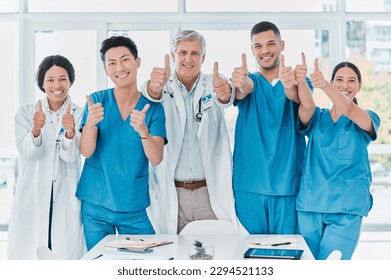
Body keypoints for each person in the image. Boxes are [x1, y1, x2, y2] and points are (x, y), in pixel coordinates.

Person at [142, 30, 246, 234]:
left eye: (195, 53)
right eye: (182, 53)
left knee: (213, 251)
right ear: (173, 56)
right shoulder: (163, 86)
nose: (188, 59)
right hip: (173, 192)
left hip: (208, 193)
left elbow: (226, 98)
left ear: (203, 57)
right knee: (173, 257)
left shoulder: (213, 83)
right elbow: (149, 94)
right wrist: (154, 87)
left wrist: (225, 94)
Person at [76, 36, 167, 250]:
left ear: (137, 62)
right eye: (112, 63)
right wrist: (90, 124)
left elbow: (157, 157)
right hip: (96, 204)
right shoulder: (97, 102)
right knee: (100, 264)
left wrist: (143, 131)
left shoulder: (153, 108)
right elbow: (86, 151)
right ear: (106, 70)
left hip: (132, 205)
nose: (120, 67)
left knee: (149, 260)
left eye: (125, 59)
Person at [231, 21, 313, 234]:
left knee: (286, 255)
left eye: (270, 44)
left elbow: (299, 100)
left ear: (281, 45)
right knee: (250, 256)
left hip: (287, 184)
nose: (264, 51)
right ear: (252, 50)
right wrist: (239, 82)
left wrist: (292, 85)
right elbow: (243, 90)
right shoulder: (249, 82)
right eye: (258, 46)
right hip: (250, 185)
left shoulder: (298, 81)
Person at [296, 60, 380, 260]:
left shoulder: (367, 118)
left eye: (352, 81)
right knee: (306, 266)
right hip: (310, 206)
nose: (345, 85)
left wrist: (324, 85)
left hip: (346, 209)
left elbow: (349, 110)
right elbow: (306, 106)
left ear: (359, 87)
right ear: (334, 81)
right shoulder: (317, 118)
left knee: (333, 268)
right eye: (339, 80)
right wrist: (301, 80)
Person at [7, 55, 85, 259]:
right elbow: (28, 153)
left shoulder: (80, 114)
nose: (57, 85)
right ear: (42, 82)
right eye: (50, 79)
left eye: (62, 79)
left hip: (65, 196)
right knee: (29, 258)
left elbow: (71, 156)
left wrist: (70, 132)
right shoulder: (26, 114)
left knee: (64, 256)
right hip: (32, 194)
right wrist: (35, 130)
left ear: (70, 81)